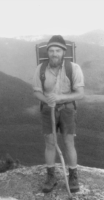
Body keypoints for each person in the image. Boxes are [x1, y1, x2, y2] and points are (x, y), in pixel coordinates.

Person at [32, 35, 84, 193]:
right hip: (49, 110)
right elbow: (36, 92)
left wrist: (61, 97)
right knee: (50, 143)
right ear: (48, 52)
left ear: (63, 52)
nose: (54, 53)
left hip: (67, 109)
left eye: (58, 50)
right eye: (51, 50)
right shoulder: (40, 69)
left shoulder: (73, 68)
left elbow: (80, 93)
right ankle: (51, 177)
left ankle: (73, 176)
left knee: (68, 143)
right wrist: (48, 101)